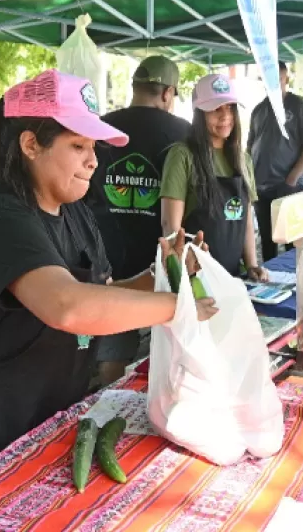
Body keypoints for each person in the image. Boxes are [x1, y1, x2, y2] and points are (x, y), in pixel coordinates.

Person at [0, 69, 217, 490]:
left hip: (40, 405)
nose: (94, 160)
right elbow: (66, 305)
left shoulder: (73, 210)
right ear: (31, 144)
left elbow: (96, 293)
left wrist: (162, 275)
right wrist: (178, 308)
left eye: (94, 147)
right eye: (78, 146)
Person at [86, 55, 191, 385]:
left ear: (135, 88)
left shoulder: (99, 129)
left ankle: (107, 410)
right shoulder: (184, 135)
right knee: (168, 359)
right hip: (163, 263)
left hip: (108, 262)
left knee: (110, 357)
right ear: (167, 93)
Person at [160, 73, 267, 281]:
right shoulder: (182, 155)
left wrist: (252, 264)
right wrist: (179, 273)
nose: (225, 116)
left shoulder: (243, 159)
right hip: (196, 277)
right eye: (216, 109)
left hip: (233, 277)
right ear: (199, 113)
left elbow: (245, 220)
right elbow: (170, 225)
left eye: (230, 108)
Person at [248, 61, 303, 262]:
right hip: (261, 187)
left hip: (288, 187)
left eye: (277, 79)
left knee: (292, 242)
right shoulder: (258, 110)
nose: (273, 84)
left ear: (286, 79)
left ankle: (295, 286)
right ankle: (269, 282)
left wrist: (291, 179)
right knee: (267, 241)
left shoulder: (300, 107)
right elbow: (249, 147)